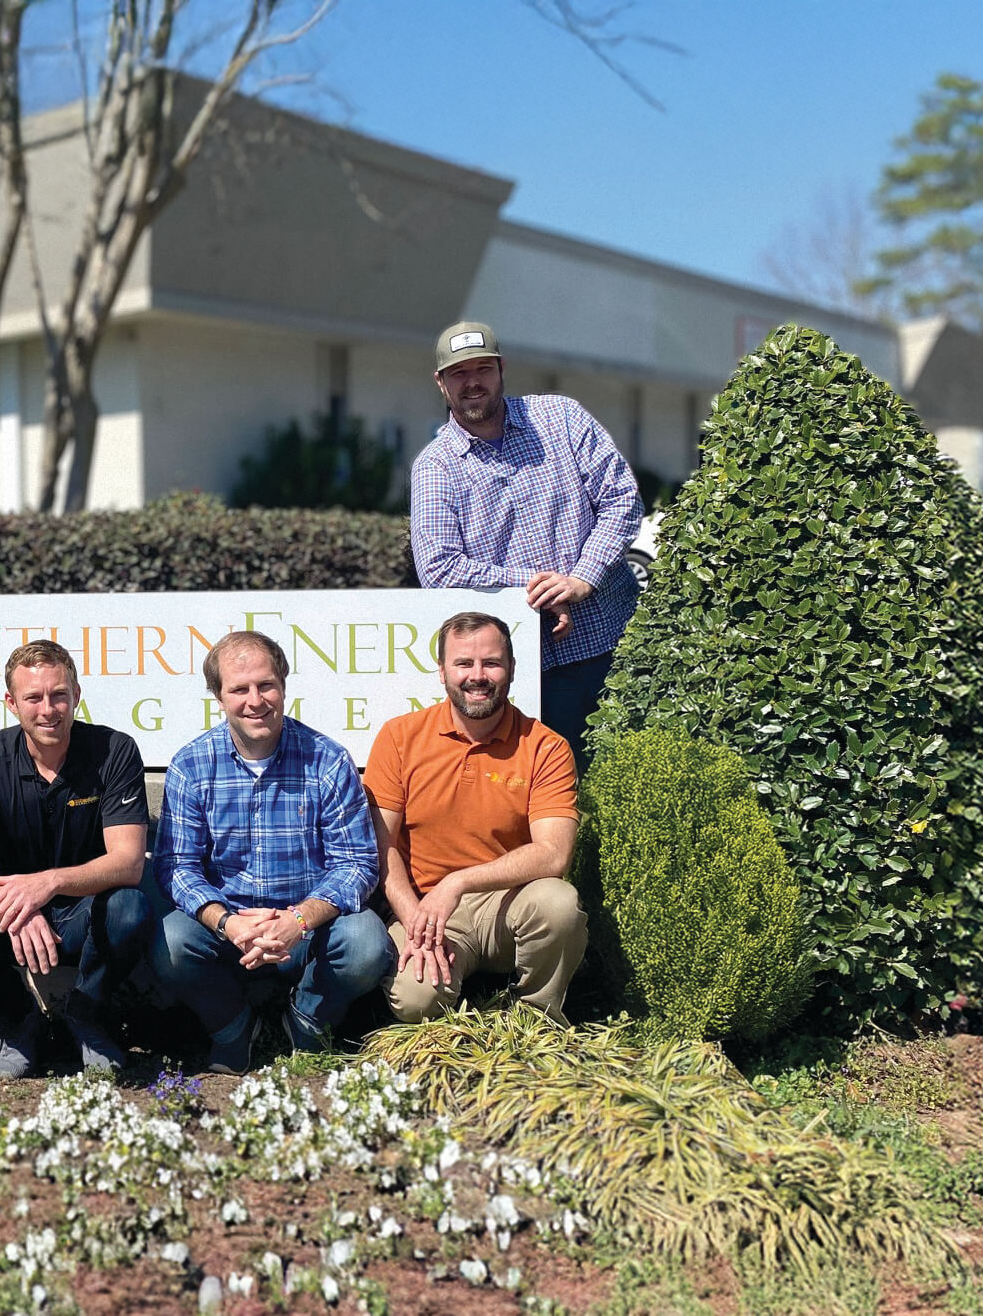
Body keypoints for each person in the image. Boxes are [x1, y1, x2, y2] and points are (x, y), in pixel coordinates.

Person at [150, 631, 391, 1074]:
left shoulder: (328, 760)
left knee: (367, 942)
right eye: (239, 689)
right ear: (218, 698)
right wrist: (228, 921)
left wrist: (298, 920)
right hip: (229, 932)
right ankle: (234, 1029)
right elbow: (176, 867)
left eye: (266, 685)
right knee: (170, 941)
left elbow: (357, 864)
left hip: (310, 929)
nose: (255, 700)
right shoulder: (192, 764)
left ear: (284, 686)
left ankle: (306, 1023)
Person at [410, 321, 643, 765]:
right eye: (459, 373)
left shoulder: (562, 419)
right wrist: (539, 588)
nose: (472, 382)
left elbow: (622, 500)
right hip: (517, 675)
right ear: (441, 383)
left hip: (613, 646)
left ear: (502, 370)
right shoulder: (435, 467)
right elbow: (440, 569)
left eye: (483, 368)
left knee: (622, 783)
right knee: (542, 801)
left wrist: (581, 580)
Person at [0, 641, 151, 1078]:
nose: (48, 709)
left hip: (86, 913)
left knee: (132, 907)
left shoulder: (115, 750)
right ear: (12, 704)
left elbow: (128, 862)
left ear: (77, 695)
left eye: (59, 695)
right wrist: (17, 902)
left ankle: (86, 1018)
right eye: (34, 697)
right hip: (12, 920)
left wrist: (47, 883)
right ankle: (18, 1025)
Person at [363, 611, 587, 1026]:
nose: (477, 675)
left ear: (513, 669)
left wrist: (459, 881)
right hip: (425, 907)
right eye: (464, 663)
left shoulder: (546, 747)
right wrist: (413, 919)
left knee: (559, 904)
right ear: (442, 671)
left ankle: (537, 1018)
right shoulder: (400, 737)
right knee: (416, 1002)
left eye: (491, 663)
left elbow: (554, 855)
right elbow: (382, 846)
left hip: (510, 902)